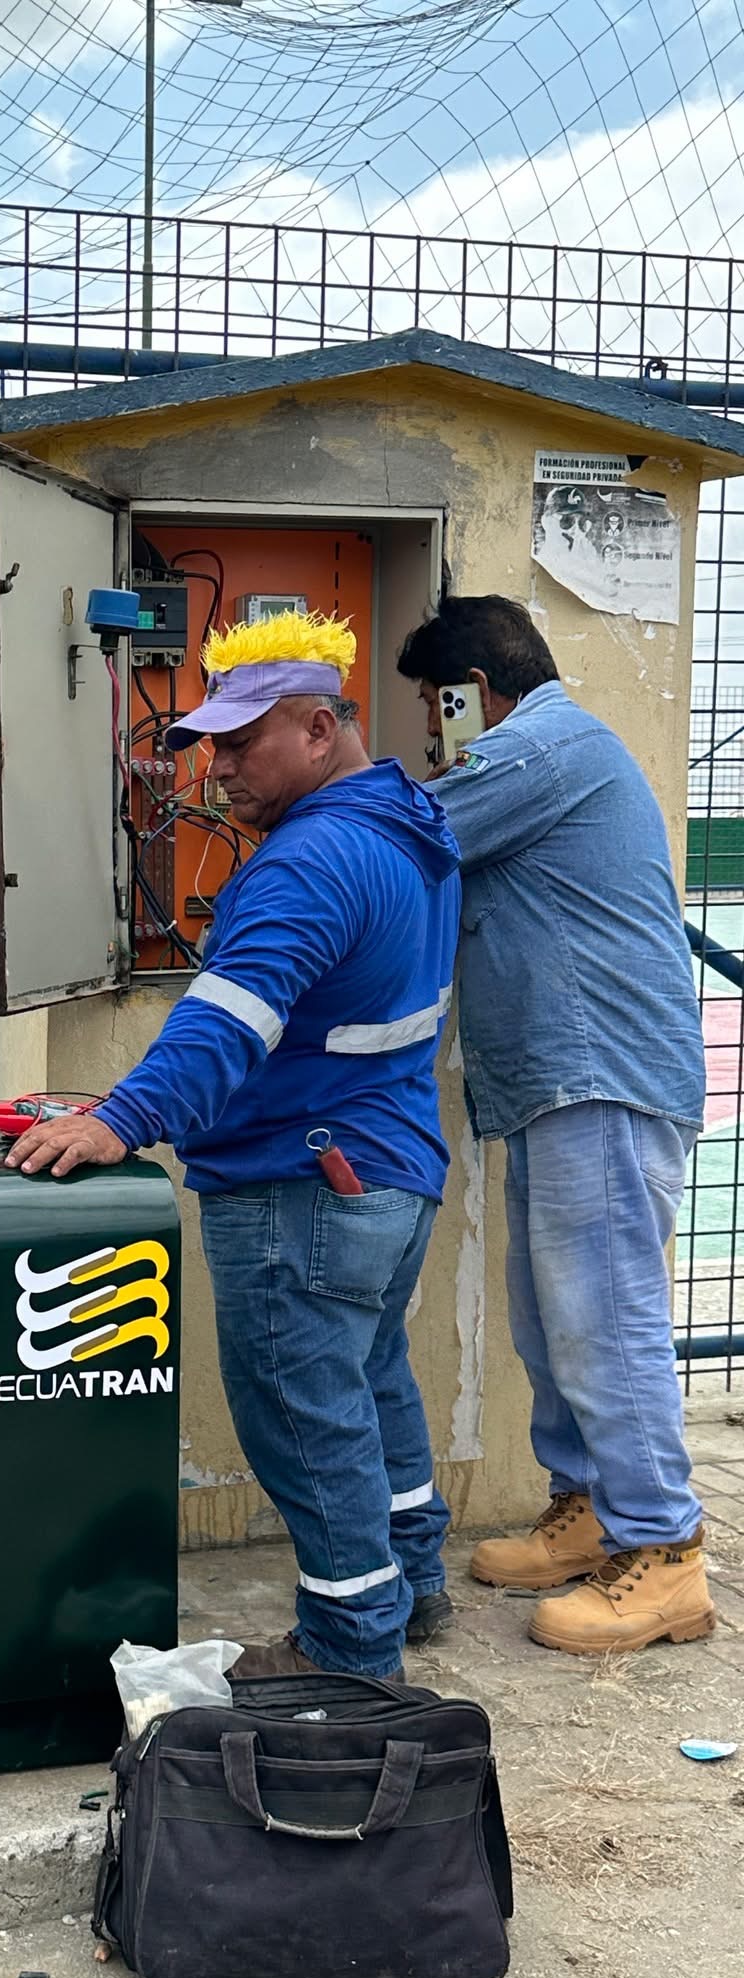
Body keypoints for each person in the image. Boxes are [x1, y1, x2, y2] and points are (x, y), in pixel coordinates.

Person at [9, 612, 461, 1681]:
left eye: (242, 742)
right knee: (372, 1385)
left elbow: (224, 1025)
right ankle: (414, 1580)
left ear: (319, 729)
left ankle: (349, 1651)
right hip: (388, 1172)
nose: (215, 769)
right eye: (209, 744)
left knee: (306, 1423)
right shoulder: (411, 823)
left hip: (302, 1186)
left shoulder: (309, 862)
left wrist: (117, 1118)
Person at [398, 594, 712, 1656]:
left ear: (474, 692)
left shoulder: (540, 748)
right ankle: (587, 1509)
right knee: (550, 1316)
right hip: (558, 1079)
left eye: (434, 707)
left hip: (602, 1075)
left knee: (602, 1317)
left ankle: (665, 1550)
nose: (432, 732)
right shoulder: (542, 751)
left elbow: (407, 832)